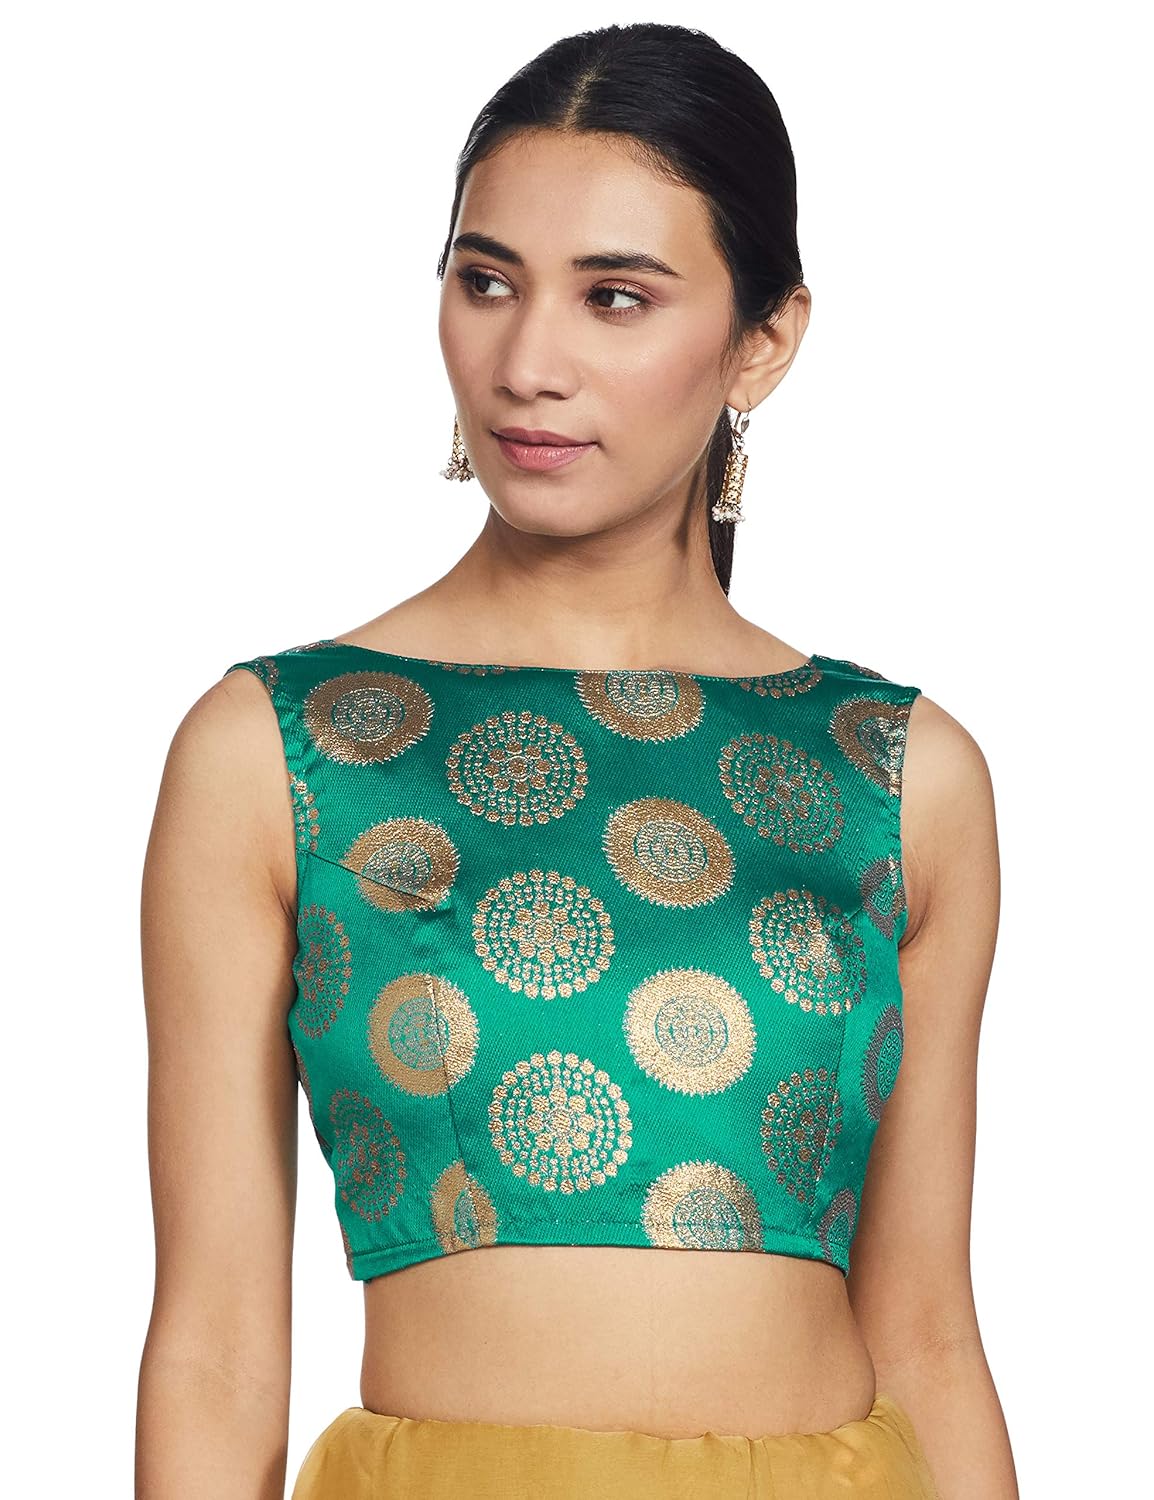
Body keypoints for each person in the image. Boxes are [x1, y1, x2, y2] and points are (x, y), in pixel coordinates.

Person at [136, 22, 1015, 1500]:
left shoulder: (898, 773)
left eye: (615, 297)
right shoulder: (282, 750)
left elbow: (927, 1330)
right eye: (486, 282)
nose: (527, 363)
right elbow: (216, 1350)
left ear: (762, 341)